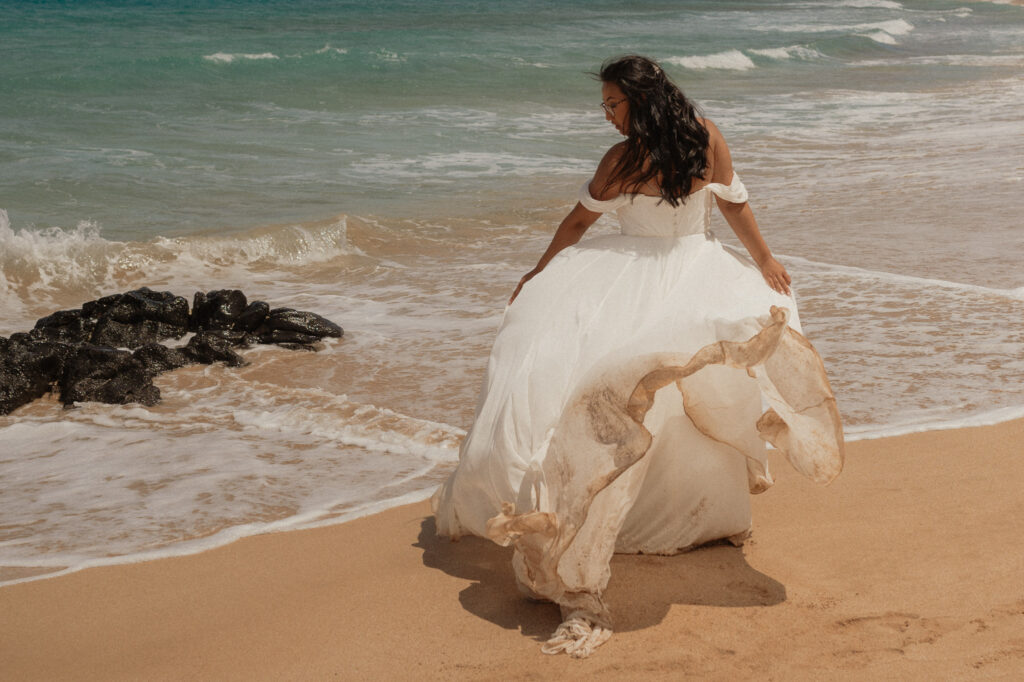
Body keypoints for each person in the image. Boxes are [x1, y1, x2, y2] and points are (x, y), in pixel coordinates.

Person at [432, 55, 844, 659]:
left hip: (631, 277)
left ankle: (662, 517)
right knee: (665, 399)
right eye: (603, 106)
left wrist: (540, 272)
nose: (606, 115)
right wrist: (760, 260)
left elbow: (579, 222)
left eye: (612, 105)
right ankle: (697, 517)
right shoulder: (706, 136)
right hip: (693, 274)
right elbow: (731, 204)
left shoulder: (622, 161)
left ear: (641, 100)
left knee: (638, 395)